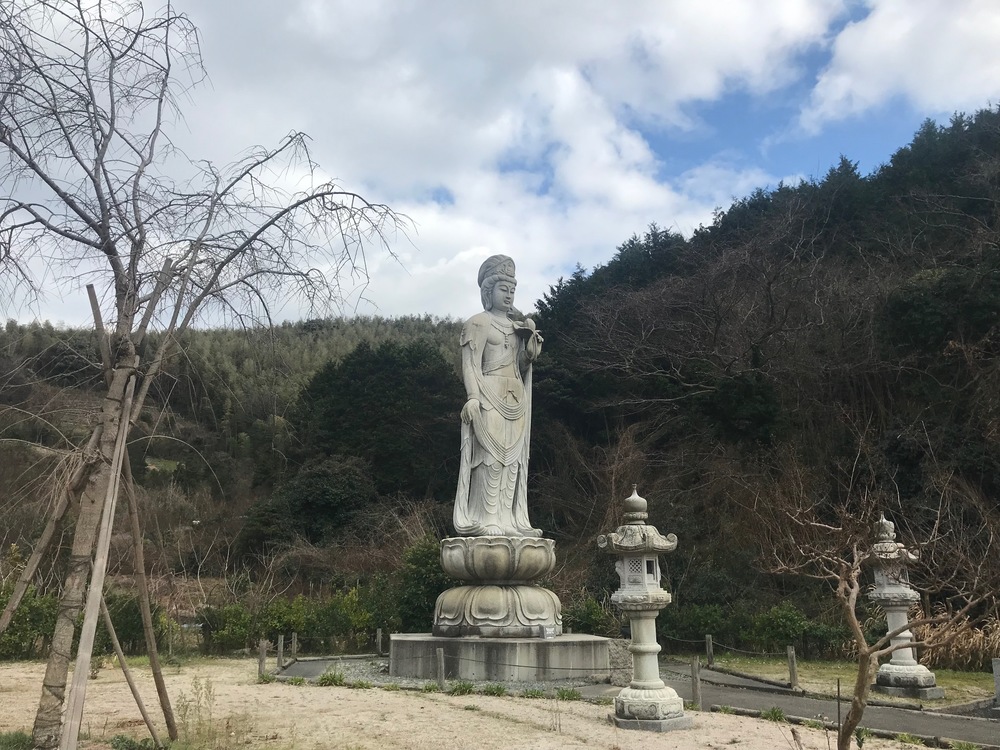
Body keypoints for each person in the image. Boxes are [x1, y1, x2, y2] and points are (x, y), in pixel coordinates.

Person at [453, 255, 544, 537]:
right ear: (487, 292)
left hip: (516, 399)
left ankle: (510, 521)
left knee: (514, 462)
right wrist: (472, 397)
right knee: (489, 459)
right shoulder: (478, 323)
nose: (508, 295)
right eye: (503, 289)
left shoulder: (517, 327)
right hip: (488, 395)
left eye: (512, 290)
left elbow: (521, 365)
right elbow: (470, 363)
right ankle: (486, 518)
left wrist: (530, 350)